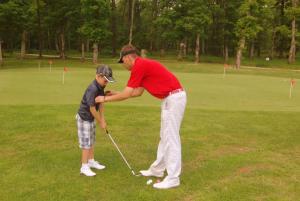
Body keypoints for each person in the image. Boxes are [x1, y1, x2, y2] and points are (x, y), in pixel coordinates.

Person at [95, 45, 187, 189]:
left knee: (171, 138)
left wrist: (104, 99)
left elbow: (127, 94)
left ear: (127, 57)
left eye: (122, 61)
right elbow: (137, 92)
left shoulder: (139, 65)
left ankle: (173, 178)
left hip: (174, 98)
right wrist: (115, 93)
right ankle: (157, 170)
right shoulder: (142, 66)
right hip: (171, 98)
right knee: (165, 137)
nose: (123, 65)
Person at [76, 65, 115, 177]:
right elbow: (92, 108)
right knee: (86, 143)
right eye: (105, 80)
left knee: (91, 140)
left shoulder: (100, 87)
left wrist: (102, 118)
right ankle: (84, 166)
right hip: (84, 118)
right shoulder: (92, 88)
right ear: (98, 76)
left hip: (91, 118)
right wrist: (100, 121)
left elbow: (101, 103)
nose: (106, 83)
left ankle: (91, 161)